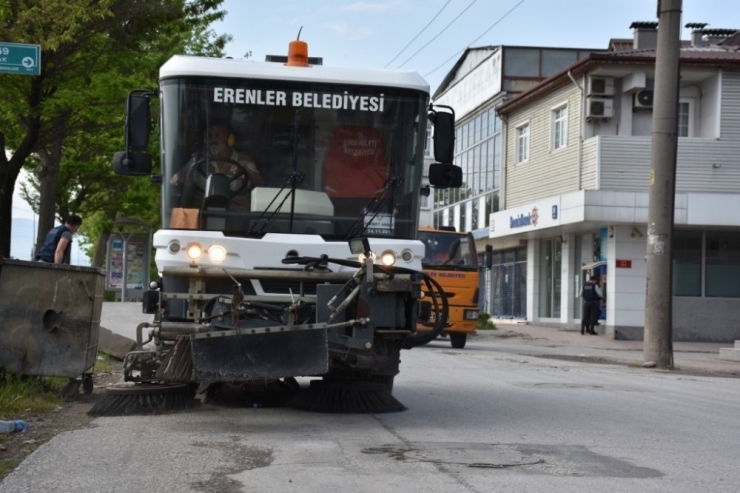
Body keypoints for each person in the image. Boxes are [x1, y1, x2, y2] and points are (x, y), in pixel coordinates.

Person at [171, 120, 263, 208]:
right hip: (202, 215)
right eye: (209, 136)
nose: (213, 140)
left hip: (234, 214)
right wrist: (177, 177)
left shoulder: (244, 160)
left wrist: (247, 170)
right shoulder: (197, 160)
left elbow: (260, 186)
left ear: (230, 139)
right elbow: (176, 179)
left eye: (218, 135)